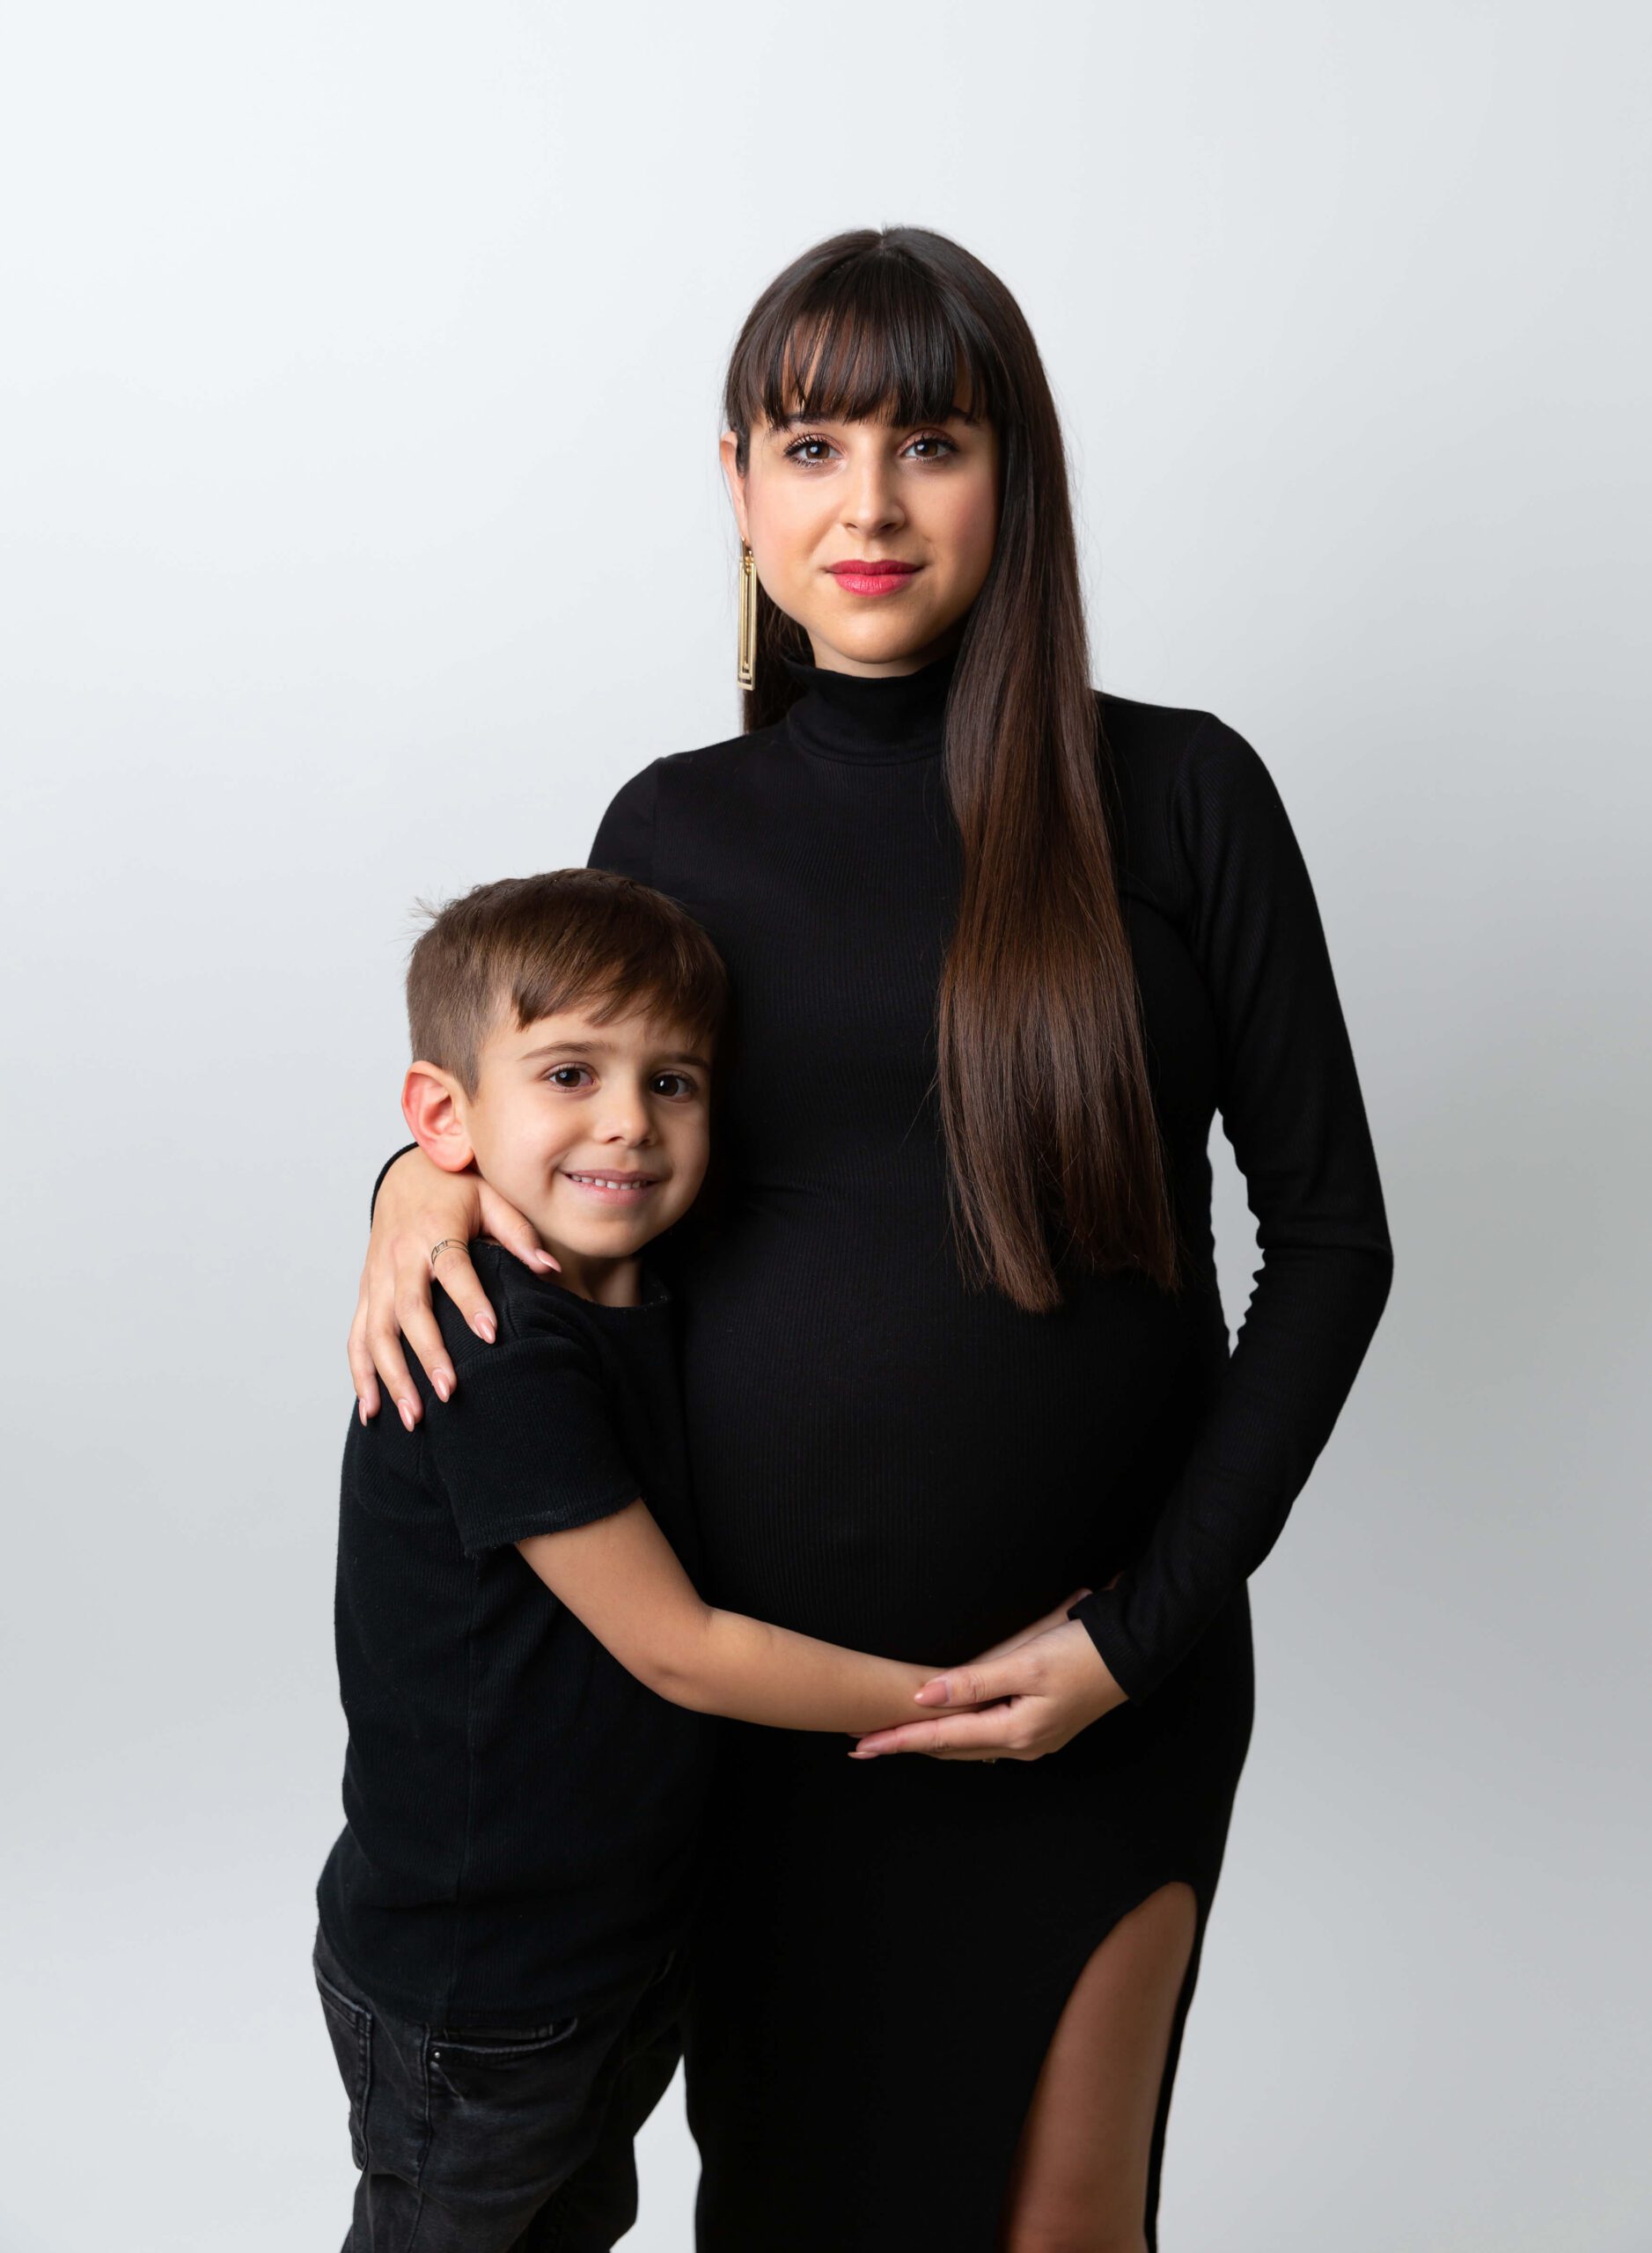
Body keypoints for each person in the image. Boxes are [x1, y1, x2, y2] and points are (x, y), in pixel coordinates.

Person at [350, 228, 1396, 2251]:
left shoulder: (1178, 798)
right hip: (762, 1704)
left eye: (931, 439)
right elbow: (555, 1113)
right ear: (735, 483)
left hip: (1108, 1686)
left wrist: (1130, 1636)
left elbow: (1335, 1238)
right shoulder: (677, 822)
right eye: (813, 443)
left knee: (1061, 2217)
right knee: (797, 2207)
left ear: (1018, 475)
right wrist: (403, 1183)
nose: (871, 504)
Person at [318, 865, 1052, 2250]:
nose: (626, 1124)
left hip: (602, 1954)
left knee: (567, 2225)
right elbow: (677, 1647)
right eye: (569, 1073)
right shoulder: (493, 1348)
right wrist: (961, 1706)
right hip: (478, 1985)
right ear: (444, 1114)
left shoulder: (651, 1287)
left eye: (673, 1084)